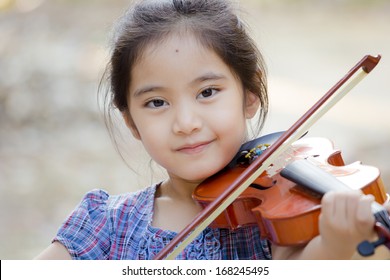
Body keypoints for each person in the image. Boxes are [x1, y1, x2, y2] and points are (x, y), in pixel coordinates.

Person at [35, 0, 390, 260]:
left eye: (207, 93)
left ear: (250, 94)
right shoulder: (106, 226)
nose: (186, 123)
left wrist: (336, 245)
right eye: (157, 102)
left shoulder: (283, 223)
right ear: (131, 122)